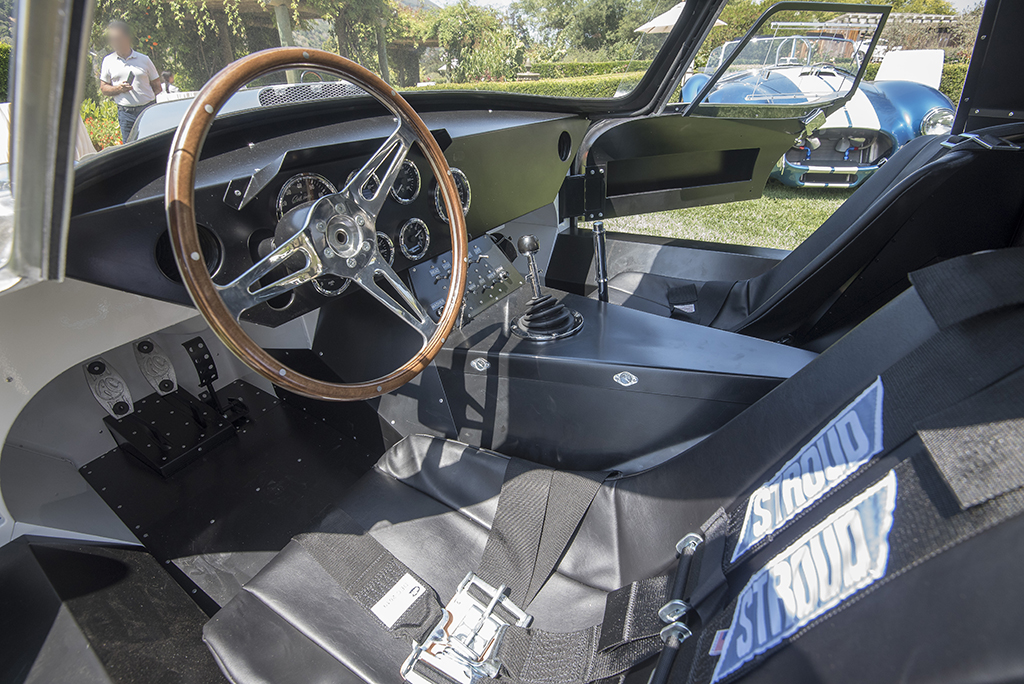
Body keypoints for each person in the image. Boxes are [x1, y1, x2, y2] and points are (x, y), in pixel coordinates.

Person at [99, 20, 162, 143]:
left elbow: (157, 87)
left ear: (126, 38)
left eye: (117, 38)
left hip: (147, 111)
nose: (114, 42)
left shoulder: (144, 60)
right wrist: (118, 89)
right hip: (126, 114)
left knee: (152, 144)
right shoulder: (108, 61)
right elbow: (104, 88)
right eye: (111, 39)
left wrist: (144, 98)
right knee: (130, 147)